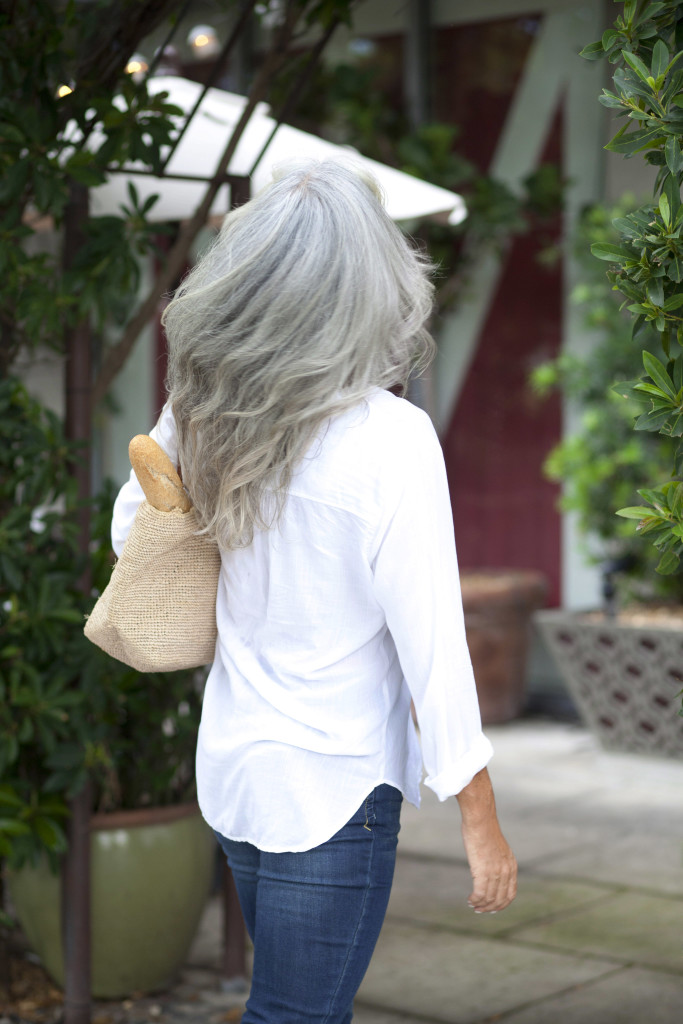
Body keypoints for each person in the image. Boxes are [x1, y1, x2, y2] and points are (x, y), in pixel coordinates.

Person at [111, 160, 517, 1024]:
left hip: (236, 769)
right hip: (335, 791)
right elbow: (432, 643)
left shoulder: (205, 412)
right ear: (371, 287)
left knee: (283, 1006)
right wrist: (478, 816)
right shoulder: (390, 439)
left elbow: (129, 535)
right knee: (293, 1016)